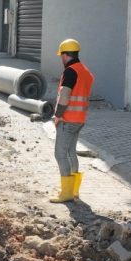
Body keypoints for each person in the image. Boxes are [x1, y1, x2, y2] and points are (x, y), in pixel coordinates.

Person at [50, 38, 95, 203]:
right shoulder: (85, 71)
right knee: (70, 152)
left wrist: (58, 115)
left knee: (60, 153)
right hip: (80, 118)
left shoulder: (70, 71)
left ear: (64, 55)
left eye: (61, 55)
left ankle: (66, 193)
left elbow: (65, 94)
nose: (61, 59)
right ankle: (73, 190)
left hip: (68, 119)